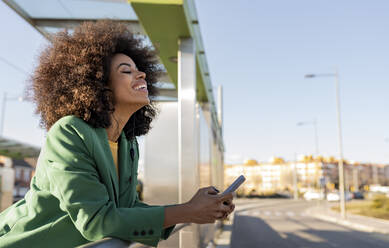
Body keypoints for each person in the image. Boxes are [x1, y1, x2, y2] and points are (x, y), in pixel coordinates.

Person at [0, 20, 234, 247]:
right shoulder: (69, 132)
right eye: (126, 71)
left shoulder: (127, 143)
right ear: (98, 84)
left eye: (139, 69)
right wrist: (187, 211)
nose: (141, 74)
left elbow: (127, 209)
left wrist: (192, 208)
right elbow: (96, 221)